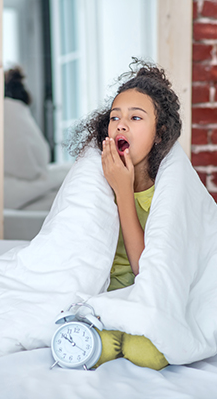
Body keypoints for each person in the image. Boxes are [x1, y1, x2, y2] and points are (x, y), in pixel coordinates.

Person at [69, 60, 182, 370]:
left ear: (159, 134)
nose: (120, 124)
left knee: (149, 352)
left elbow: (147, 270)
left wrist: (124, 192)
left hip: (142, 295)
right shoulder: (95, 175)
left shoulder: (165, 195)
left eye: (135, 117)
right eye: (115, 116)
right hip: (100, 294)